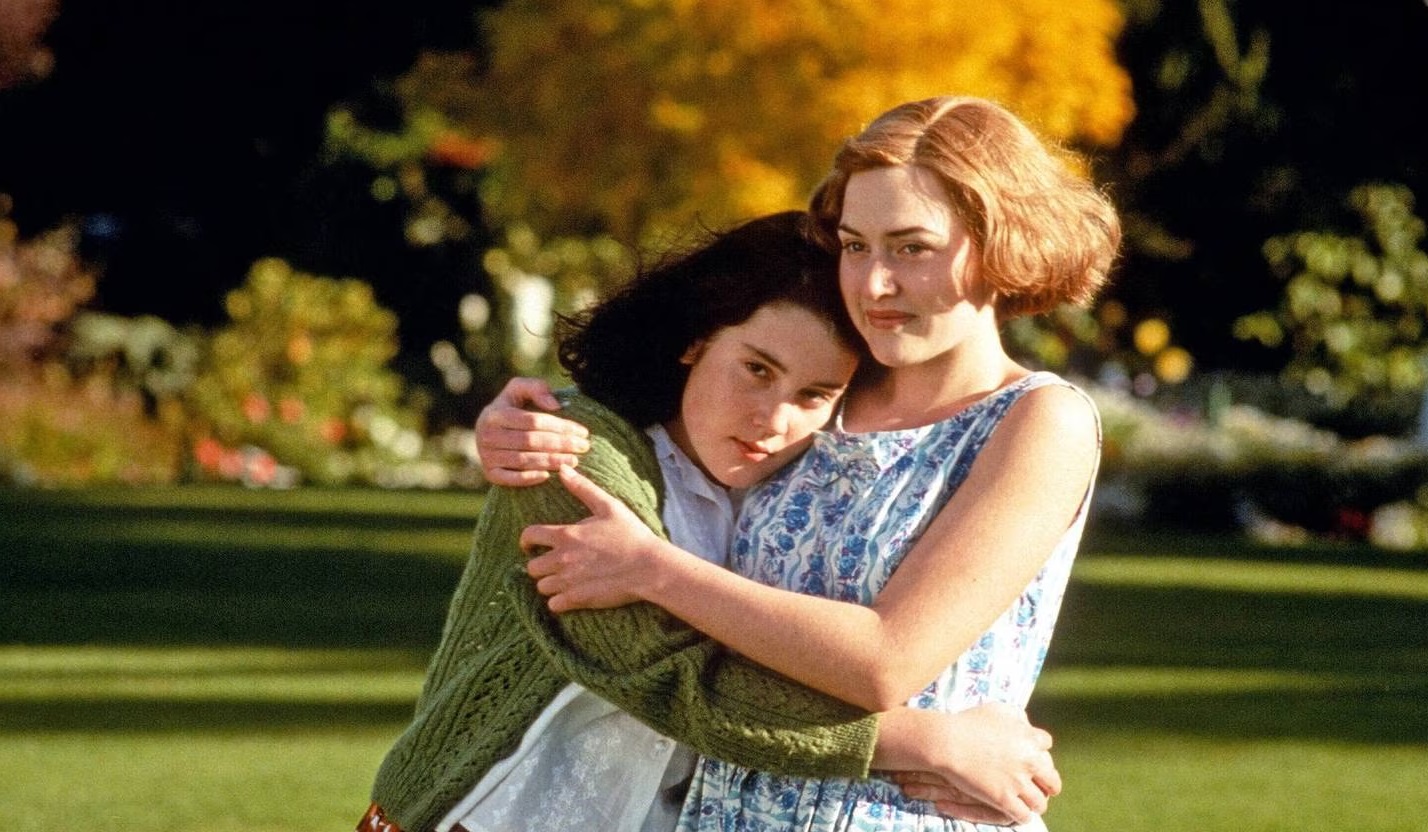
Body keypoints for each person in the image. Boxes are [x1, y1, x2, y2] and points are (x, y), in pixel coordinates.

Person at [477, 95, 1119, 831]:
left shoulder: (1040, 421)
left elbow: (885, 661)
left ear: (1001, 240)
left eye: (912, 247)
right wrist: (525, 418)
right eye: (855, 246)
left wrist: (651, 568)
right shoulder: (828, 390)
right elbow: (687, 400)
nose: (873, 284)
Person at [363, 210, 1061, 832]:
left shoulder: (797, 489)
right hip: (475, 812)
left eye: (814, 394)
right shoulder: (571, 451)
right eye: (757, 370)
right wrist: (932, 745)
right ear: (696, 340)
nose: (774, 419)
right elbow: (670, 678)